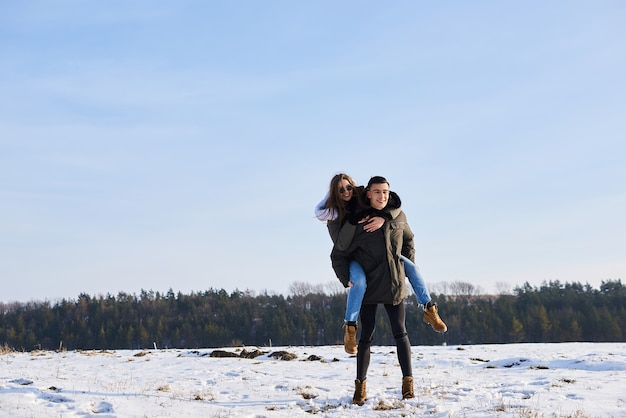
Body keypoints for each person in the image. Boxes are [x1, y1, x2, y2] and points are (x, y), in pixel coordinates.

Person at [315, 174, 446, 355]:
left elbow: (393, 205)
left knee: (413, 268)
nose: (346, 192)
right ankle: (350, 329)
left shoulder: (363, 197)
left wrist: (384, 217)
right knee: (359, 283)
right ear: (334, 193)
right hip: (354, 257)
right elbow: (341, 247)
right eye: (340, 189)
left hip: (379, 254)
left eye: (348, 187)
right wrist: (352, 224)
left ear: (354, 187)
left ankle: (430, 310)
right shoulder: (333, 215)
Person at [330, 175, 418, 404]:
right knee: (366, 337)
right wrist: (346, 277)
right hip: (368, 285)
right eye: (377, 192)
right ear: (368, 194)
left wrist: (406, 265)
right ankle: (360, 387)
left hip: (393, 283)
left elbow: (409, 240)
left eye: (385, 192)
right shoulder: (357, 221)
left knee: (401, 333)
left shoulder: (397, 215)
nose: (382, 196)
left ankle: (408, 384)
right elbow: (339, 252)